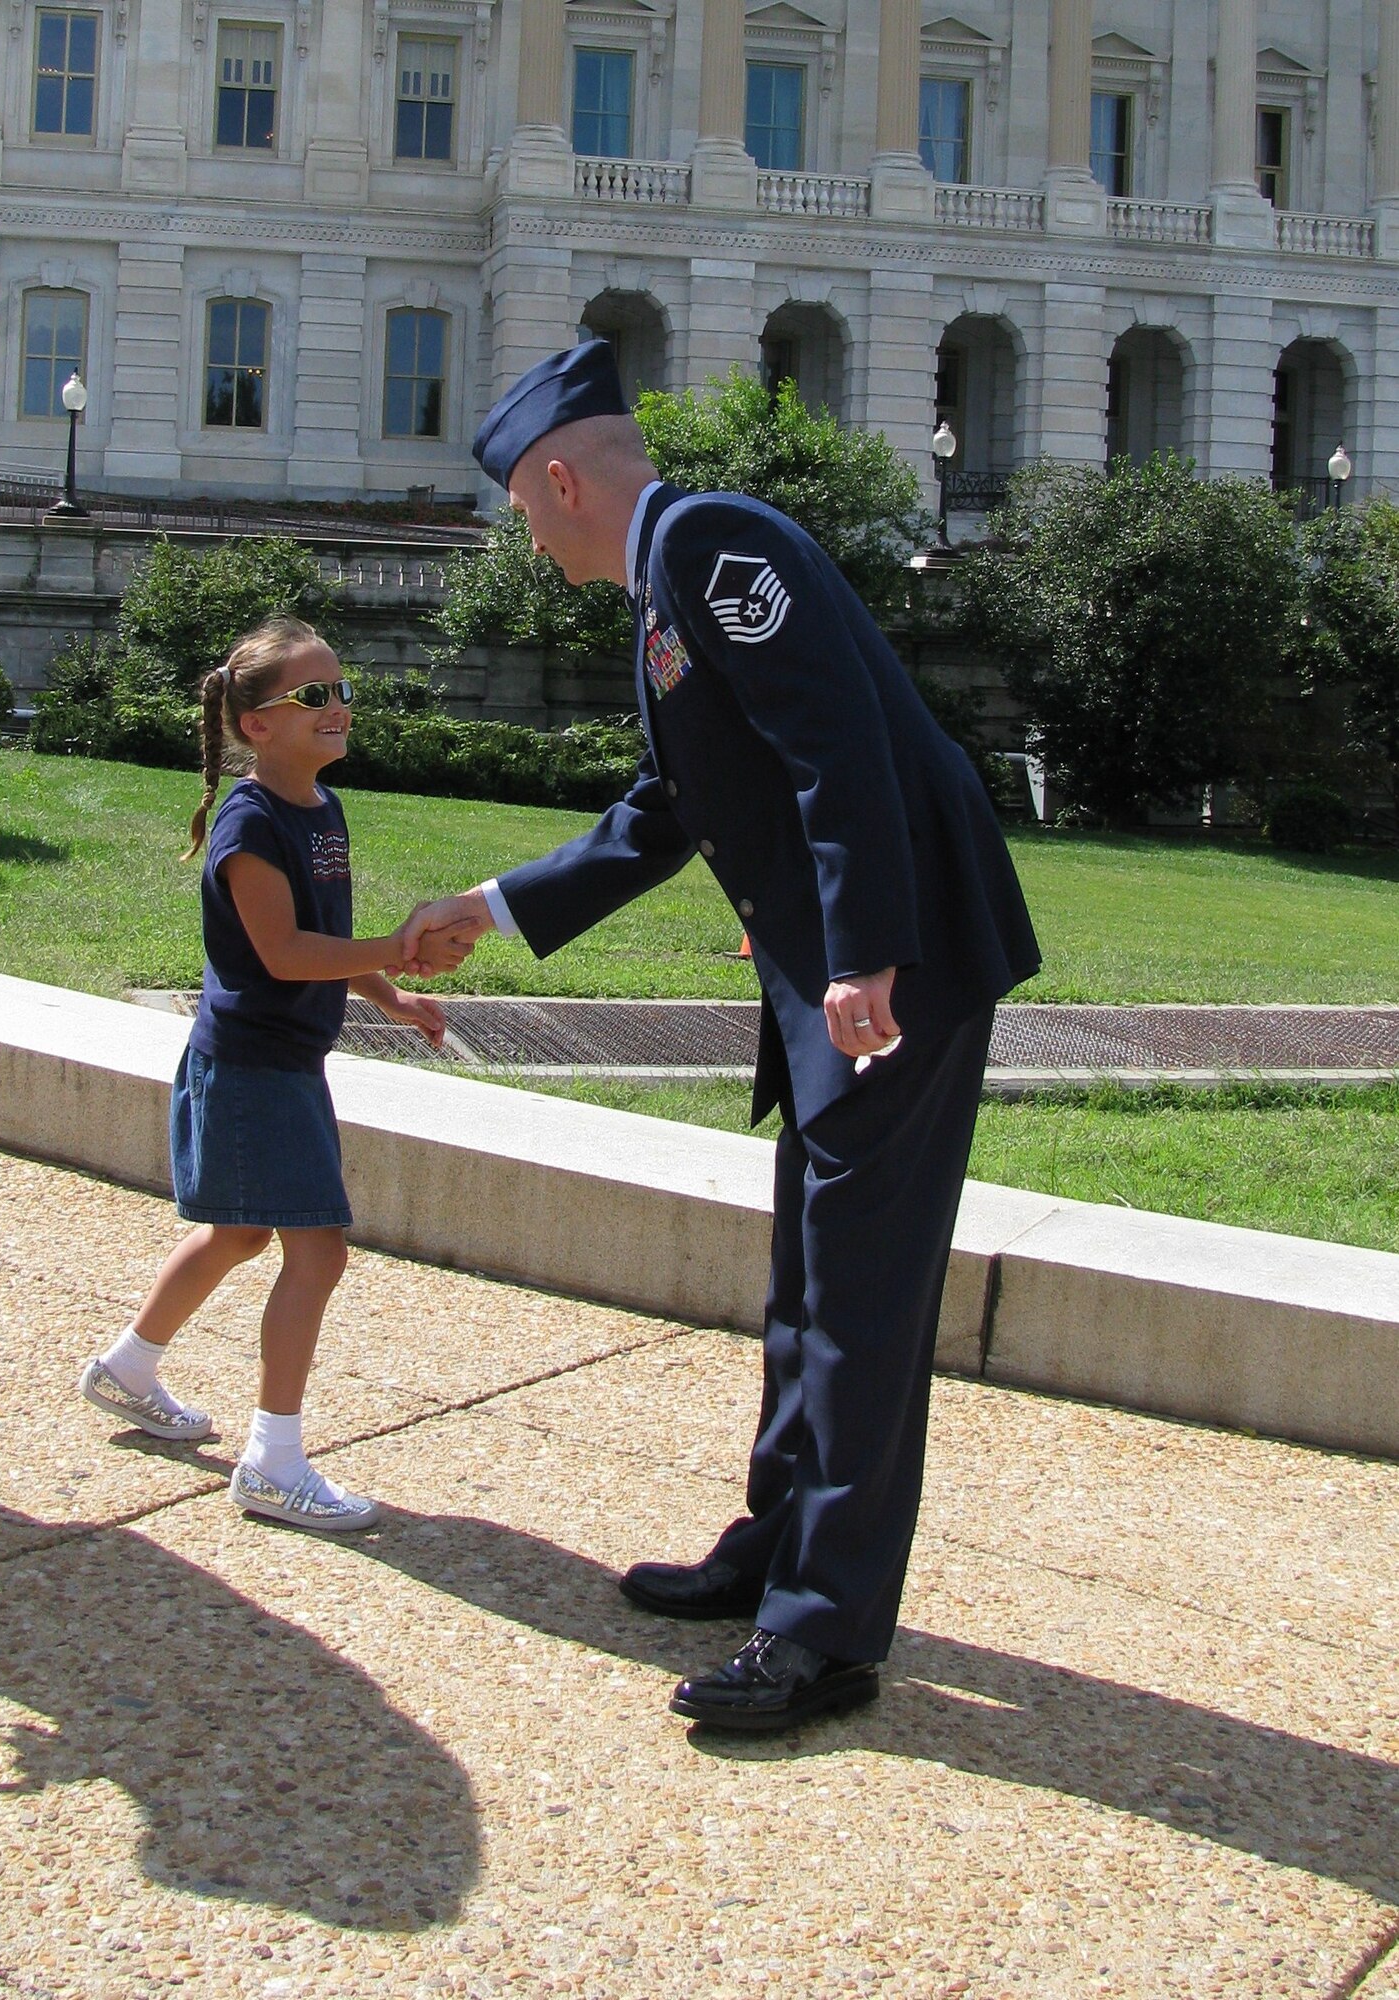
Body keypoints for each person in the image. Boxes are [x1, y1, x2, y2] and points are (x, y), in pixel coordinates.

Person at [405, 342, 1041, 1730]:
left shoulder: (709, 539)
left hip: (895, 969)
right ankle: (775, 1552)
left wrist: (865, 946)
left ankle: (826, 1637)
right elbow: (668, 808)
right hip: (848, 971)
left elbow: (833, 744)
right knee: (809, 1288)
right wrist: (492, 907)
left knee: (861, 1306)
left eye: (520, 506)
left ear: (561, 478)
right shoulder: (667, 587)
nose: (527, 536)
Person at [79, 617, 464, 1531]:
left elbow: (321, 934)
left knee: (240, 1236)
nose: (338, 708)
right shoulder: (250, 825)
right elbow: (285, 954)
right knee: (316, 1250)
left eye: (340, 690)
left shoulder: (320, 809)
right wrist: (403, 952)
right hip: (252, 1067)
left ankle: (127, 1369)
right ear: (258, 724)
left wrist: (387, 996)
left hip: (279, 1063)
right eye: (313, 696)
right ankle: (272, 1462)